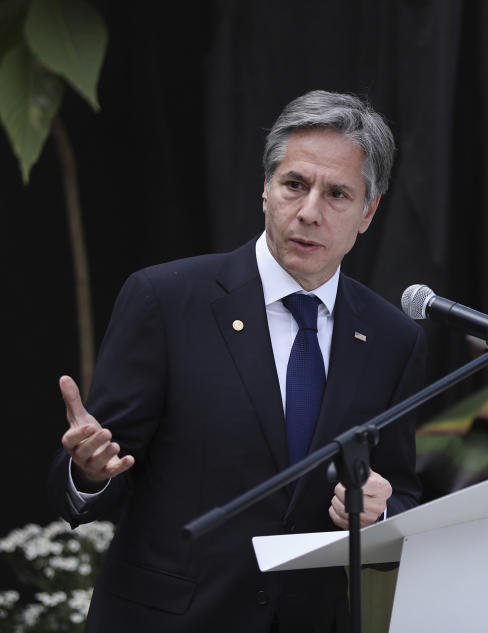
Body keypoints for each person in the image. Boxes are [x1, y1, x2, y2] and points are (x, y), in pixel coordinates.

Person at [47, 90, 425, 633]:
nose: (310, 212)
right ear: (265, 190)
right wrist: (88, 473)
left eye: (338, 194)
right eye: (295, 185)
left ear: (368, 212)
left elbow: (401, 492)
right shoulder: (167, 299)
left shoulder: (392, 338)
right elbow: (91, 478)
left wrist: (381, 515)